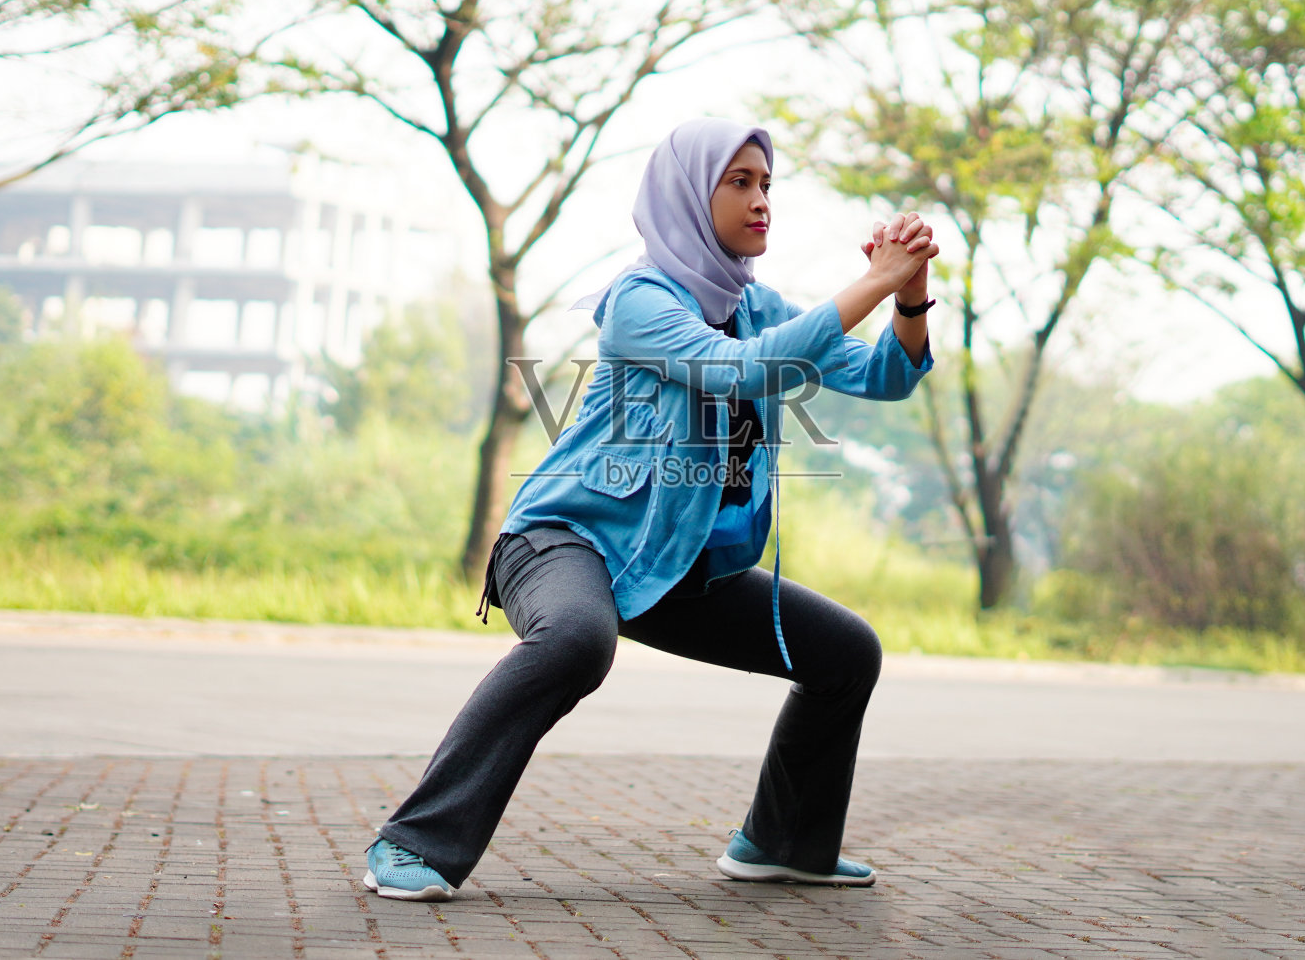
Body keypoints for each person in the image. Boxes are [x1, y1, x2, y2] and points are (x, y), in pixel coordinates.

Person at [362, 117, 938, 903]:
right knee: (576, 638)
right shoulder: (641, 301)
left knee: (846, 653)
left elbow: (887, 377)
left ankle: (784, 842)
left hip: (677, 565)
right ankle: (413, 841)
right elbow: (739, 373)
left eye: (767, 183)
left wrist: (909, 296)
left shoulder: (761, 305)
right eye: (739, 182)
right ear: (686, 194)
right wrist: (870, 283)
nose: (761, 200)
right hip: (564, 540)